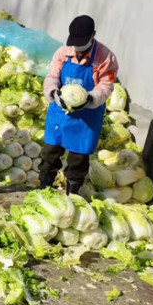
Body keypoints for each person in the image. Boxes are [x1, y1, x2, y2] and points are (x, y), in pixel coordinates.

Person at [39, 15, 119, 195]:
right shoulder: (63, 52)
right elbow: (52, 76)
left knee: (78, 157)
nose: (77, 47)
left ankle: (72, 193)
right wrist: (53, 93)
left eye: (82, 42)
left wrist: (90, 98)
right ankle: (44, 187)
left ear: (93, 35)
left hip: (86, 116)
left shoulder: (105, 57)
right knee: (50, 152)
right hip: (60, 112)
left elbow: (106, 85)